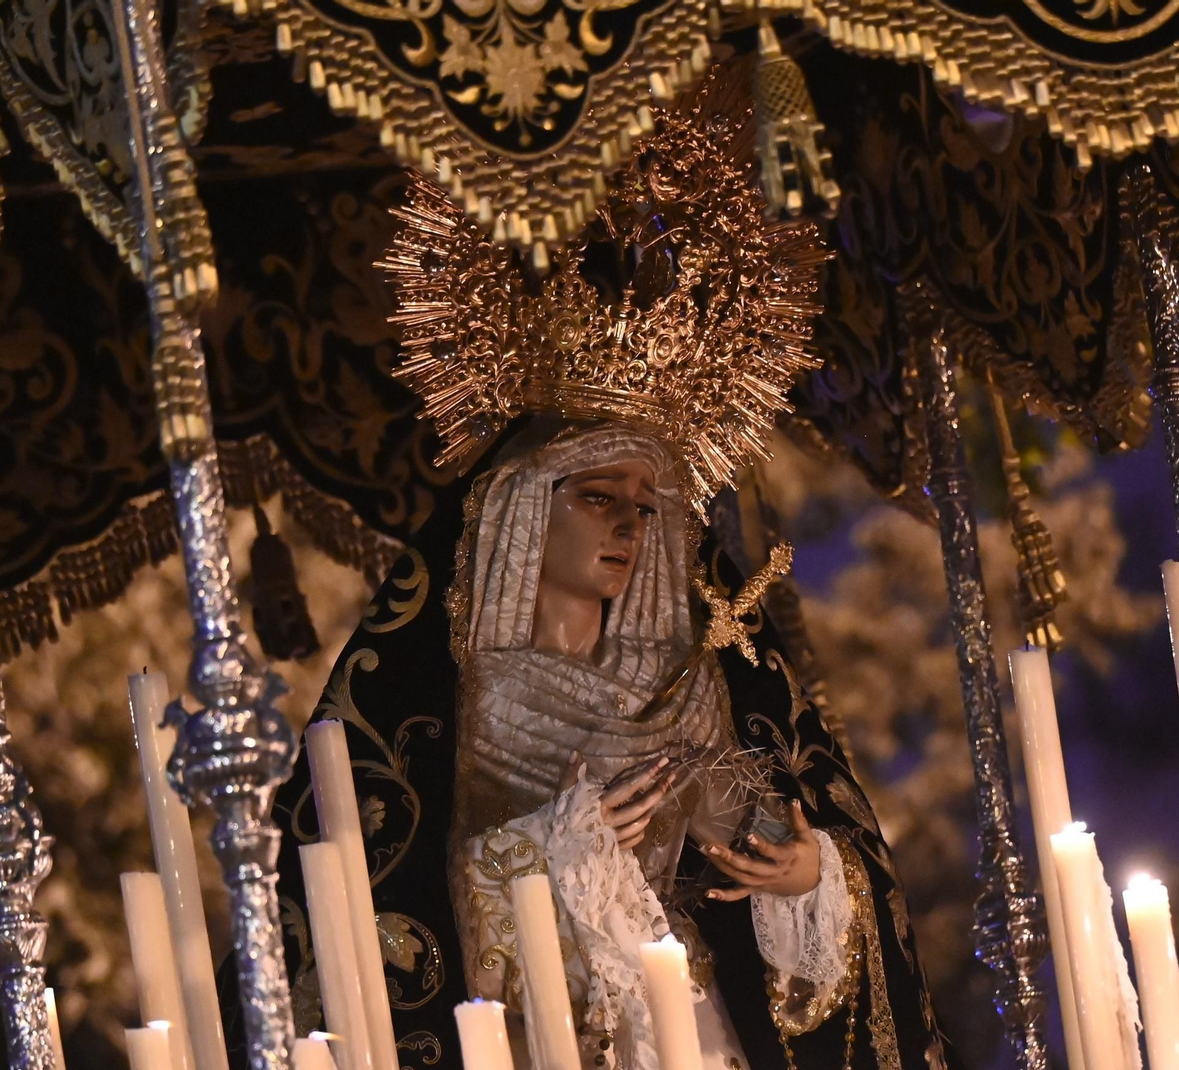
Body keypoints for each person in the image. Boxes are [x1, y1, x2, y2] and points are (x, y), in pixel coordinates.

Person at [228, 77, 961, 1070]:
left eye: (645, 505)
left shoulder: (699, 675)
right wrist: (548, 852)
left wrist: (805, 871)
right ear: (529, 507)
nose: (627, 524)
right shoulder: (429, 691)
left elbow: (829, 856)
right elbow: (373, 905)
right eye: (594, 496)